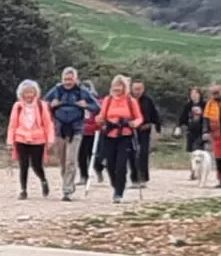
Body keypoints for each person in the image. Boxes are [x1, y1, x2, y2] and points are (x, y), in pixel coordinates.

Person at [44, 68, 100, 202]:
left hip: (76, 129)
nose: (68, 82)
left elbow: (97, 107)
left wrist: (86, 105)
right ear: (62, 79)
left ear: (76, 79)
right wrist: (51, 105)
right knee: (63, 161)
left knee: (71, 160)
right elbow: (42, 104)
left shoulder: (82, 92)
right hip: (60, 129)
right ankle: (68, 184)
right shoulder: (56, 90)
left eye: (70, 79)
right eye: (65, 79)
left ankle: (67, 190)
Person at [96, 75, 143, 203]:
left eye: (120, 85)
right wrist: (99, 120)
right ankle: (115, 185)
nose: (117, 88)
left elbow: (139, 118)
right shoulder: (108, 100)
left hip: (125, 135)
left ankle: (119, 192)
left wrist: (134, 123)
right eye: (115, 85)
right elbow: (102, 115)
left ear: (124, 87)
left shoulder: (130, 101)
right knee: (110, 164)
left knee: (121, 165)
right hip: (110, 134)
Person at [7, 79, 54, 200]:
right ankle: (23, 190)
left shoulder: (41, 106)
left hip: (38, 139)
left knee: (36, 165)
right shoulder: (17, 106)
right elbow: (12, 125)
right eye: (26, 92)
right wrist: (10, 142)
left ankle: (43, 180)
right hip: (21, 138)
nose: (29, 95)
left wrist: (50, 140)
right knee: (23, 165)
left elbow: (48, 124)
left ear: (35, 93)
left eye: (31, 92)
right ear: (21, 94)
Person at [129, 80, 161, 189]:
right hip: (131, 131)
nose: (138, 91)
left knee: (143, 154)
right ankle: (134, 179)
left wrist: (157, 128)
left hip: (144, 130)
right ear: (131, 89)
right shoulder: (128, 100)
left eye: (140, 89)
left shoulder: (148, 101)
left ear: (143, 89)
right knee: (132, 155)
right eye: (135, 89)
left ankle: (143, 179)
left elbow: (155, 115)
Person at [182, 86, 209, 179]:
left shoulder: (205, 104)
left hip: (201, 131)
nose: (194, 95)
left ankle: (199, 171)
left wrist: (207, 130)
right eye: (192, 94)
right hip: (191, 131)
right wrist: (179, 126)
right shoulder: (188, 105)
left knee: (198, 150)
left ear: (200, 94)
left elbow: (208, 117)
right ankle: (193, 171)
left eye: (196, 93)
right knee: (191, 152)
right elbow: (183, 117)